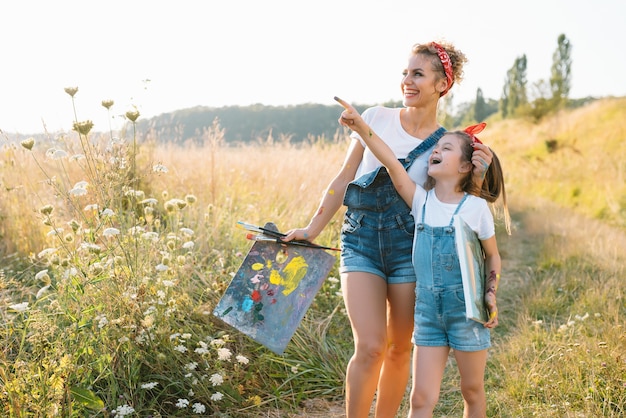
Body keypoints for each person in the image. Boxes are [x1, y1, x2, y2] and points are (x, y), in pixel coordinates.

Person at [283, 41, 493, 418]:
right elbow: (345, 176)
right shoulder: (375, 118)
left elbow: (449, 202)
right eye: (404, 73)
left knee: (399, 348)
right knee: (370, 347)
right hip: (359, 239)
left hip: (409, 248)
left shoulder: (446, 143)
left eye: (418, 74)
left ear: (442, 84)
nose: (407, 81)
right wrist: (313, 228)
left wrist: (477, 173)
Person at [336, 96, 509, 417]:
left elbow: (491, 256)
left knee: (471, 390)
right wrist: (361, 126)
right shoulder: (420, 201)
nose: (435, 151)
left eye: (446, 148)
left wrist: (490, 294)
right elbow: (390, 161)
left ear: (465, 166)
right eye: (436, 147)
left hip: (466, 312)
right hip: (428, 314)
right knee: (419, 401)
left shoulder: (475, 207)